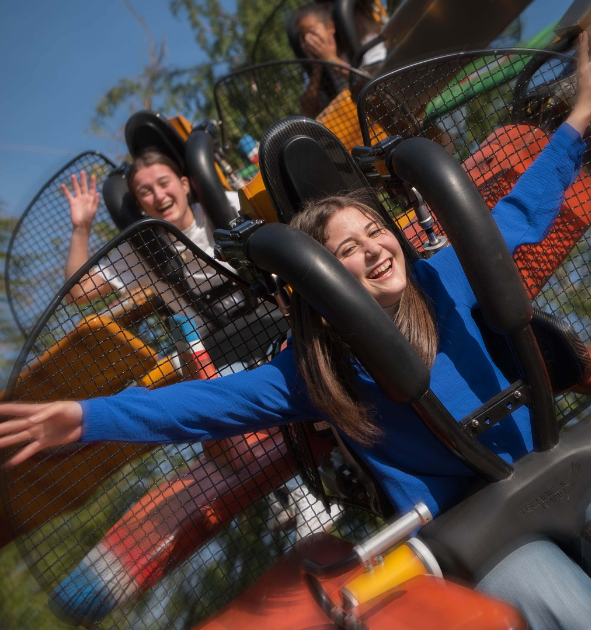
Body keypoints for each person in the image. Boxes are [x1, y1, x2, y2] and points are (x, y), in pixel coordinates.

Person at [2, 32, 591, 630]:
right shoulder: (317, 370)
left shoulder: (447, 277)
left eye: (374, 232)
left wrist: (578, 119)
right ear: (323, 280)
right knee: (561, 602)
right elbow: (200, 405)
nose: (373, 251)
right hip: (485, 527)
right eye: (347, 251)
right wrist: (85, 417)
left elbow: (521, 213)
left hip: (552, 460)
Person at [62, 149, 240, 306]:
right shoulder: (141, 249)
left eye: (164, 183)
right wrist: (81, 229)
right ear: (139, 205)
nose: (159, 196)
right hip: (211, 334)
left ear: (184, 185)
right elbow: (76, 293)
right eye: (146, 192)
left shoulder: (228, 206)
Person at [293, 2, 387, 117]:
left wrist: (331, 59)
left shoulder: (361, 39)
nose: (308, 41)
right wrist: (317, 70)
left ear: (330, 27)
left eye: (312, 32)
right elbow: (307, 111)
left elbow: (372, 80)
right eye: (303, 37)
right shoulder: (313, 67)